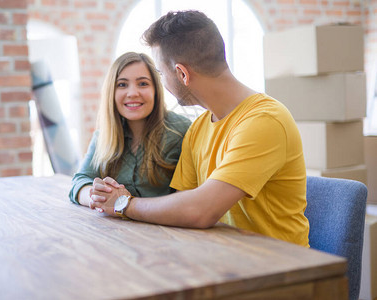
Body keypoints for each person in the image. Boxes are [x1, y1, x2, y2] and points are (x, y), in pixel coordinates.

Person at [89, 11, 310, 247]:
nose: (163, 82)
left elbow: (200, 211)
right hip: (221, 259)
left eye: (162, 74)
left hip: (281, 270)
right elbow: (181, 205)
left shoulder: (264, 121)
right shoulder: (199, 128)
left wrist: (125, 204)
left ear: (182, 74)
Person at [69, 52, 191, 207]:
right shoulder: (103, 136)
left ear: (156, 90)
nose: (132, 93)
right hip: (115, 229)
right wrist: (95, 196)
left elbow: (188, 198)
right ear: (111, 93)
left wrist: (123, 204)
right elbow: (79, 181)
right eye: (122, 85)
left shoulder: (181, 131)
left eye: (143, 84)